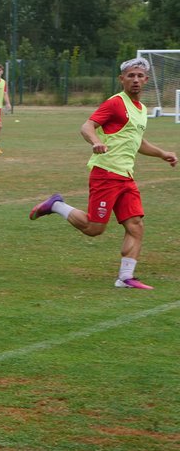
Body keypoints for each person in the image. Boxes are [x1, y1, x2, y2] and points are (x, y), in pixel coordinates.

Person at [29, 58, 177, 290]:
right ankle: (56, 205)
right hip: (106, 173)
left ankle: (125, 277)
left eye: (139, 76)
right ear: (122, 79)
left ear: (146, 80)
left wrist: (162, 153)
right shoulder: (116, 103)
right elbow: (87, 126)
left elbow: (137, 141)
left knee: (135, 225)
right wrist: (96, 141)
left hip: (126, 176)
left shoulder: (141, 109)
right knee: (94, 228)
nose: (135, 80)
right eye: (131, 76)